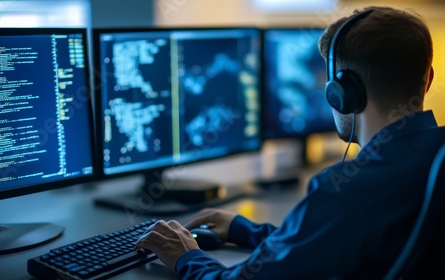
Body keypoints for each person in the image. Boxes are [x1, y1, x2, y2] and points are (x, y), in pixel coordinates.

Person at [135, 6, 445, 279]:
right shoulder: (435, 157)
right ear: (428, 78)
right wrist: (249, 230)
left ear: (340, 92)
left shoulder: (345, 189)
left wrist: (186, 256)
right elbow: (332, 238)